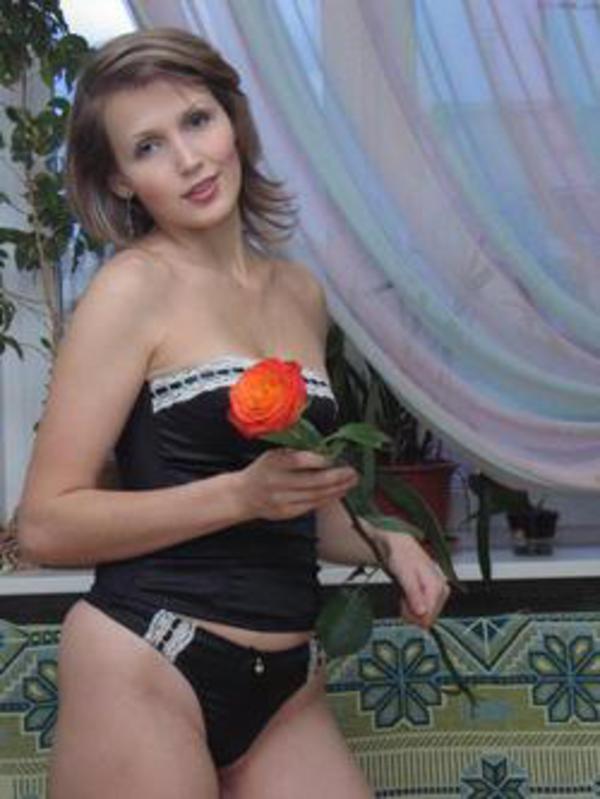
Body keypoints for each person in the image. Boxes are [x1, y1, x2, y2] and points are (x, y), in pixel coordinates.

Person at [18, 28, 450, 799]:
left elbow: (302, 503)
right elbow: (46, 525)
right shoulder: (131, 289)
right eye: (148, 147)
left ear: (233, 120)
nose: (189, 159)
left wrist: (391, 540)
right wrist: (238, 494)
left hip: (287, 683)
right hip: (146, 657)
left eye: (197, 120)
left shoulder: (299, 293)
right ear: (120, 181)